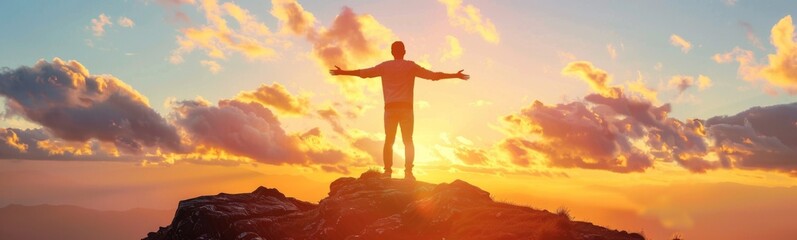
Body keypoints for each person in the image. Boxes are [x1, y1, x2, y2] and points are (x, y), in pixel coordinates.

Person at [330, 41, 469, 180]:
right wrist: (454, 75)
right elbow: (433, 76)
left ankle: (387, 172)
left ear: (392, 52)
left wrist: (342, 72)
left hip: (390, 108)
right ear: (404, 51)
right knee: (408, 140)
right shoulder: (410, 66)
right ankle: (408, 173)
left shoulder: (384, 66)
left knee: (389, 140)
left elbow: (364, 73)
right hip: (406, 108)